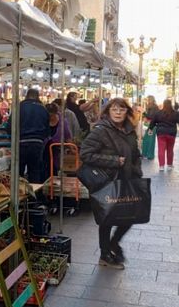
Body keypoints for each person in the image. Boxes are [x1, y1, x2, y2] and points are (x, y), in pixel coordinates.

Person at [79, 98, 142, 269]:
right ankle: (105, 255)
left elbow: (135, 154)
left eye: (122, 109)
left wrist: (137, 169)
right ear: (108, 112)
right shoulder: (101, 130)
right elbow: (85, 154)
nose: (118, 112)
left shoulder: (129, 131)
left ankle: (114, 243)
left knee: (131, 215)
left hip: (127, 180)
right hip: (107, 181)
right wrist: (114, 161)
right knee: (107, 218)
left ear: (127, 112)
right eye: (114, 109)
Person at [18, 88, 50, 183]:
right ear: (38, 96)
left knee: (18, 172)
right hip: (37, 143)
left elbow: (10, 126)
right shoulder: (43, 109)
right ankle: (34, 191)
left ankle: (18, 191)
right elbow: (47, 129)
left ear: (27, 95)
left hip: (21, 142)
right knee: (35, 172)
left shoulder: (20, 107)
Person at [148, 99, 179, 171]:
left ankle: (161, 166)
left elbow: (153, 122)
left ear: (164, 104)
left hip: (161, 133)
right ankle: (169, 165)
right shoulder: (175, 113)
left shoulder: (158, 113)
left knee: (161, 149)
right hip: (171, 133)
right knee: (170, 149)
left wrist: (150, 129)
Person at [44, 103, 72, 177]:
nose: (50, 117)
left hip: (56, 151)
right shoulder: (42, 120)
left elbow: (67, 136)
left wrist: (72, 149)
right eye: (48, 116)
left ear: (56, 113)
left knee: (54, 169)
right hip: (43, 150)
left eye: (52, 115)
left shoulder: (63, 122)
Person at [142, 95, 159, 160]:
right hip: (148, 125)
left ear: (151, 100)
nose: (147, 101)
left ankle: (149, 155)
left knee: (150, 140)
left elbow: (150, 116)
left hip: (151, 126)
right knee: (146, 139)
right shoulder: (150, 106)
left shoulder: (154, 107)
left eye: (148, 99)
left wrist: (144, 113)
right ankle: (146, 154)